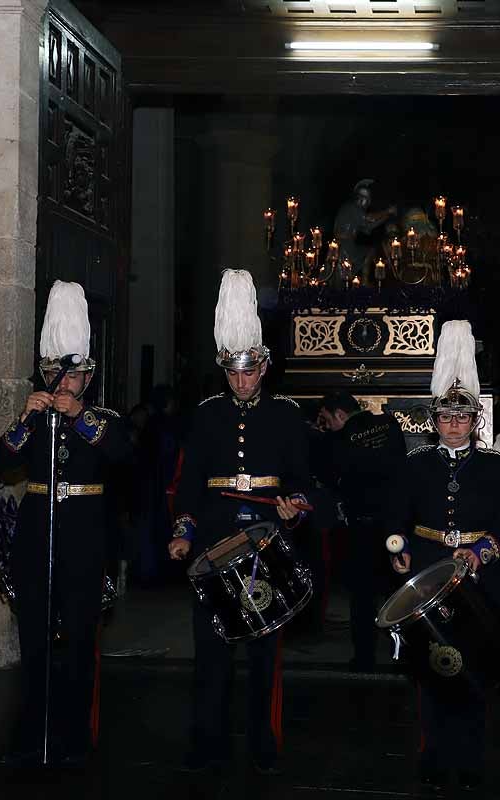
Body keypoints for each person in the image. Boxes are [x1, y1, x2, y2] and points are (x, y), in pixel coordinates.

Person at [167, 269, 310, 776]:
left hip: (266, 546)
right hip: (213, 542)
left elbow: (303, 480)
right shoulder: (206, 415)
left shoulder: (289, 415)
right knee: (210, 652)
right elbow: (187, 484)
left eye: (249, 373)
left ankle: (263, 744)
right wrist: (183, 532)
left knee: (265, 654)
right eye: (232, 373)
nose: (241, 382)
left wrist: (295, 506)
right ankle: (207, 742)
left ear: (264, 367)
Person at [0, 282, 130, 768]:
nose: (61, 384)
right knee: (33, 643)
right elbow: (1, 460)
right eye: (54, 374)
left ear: (86, 380)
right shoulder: (34, 419)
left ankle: (74, 736)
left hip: (84, 540)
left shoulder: (103, 418)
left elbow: (123, 454)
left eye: (70, 378)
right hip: (36, 535)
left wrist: (80, 417)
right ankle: (29, 733)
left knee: (77, 643)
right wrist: (26, 420)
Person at [386, 319, 500, 792]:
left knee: (474, 669)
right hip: (426, 570)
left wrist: (483, 552)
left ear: (474, 420)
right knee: (431, 667)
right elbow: (395, 519)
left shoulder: (496, 465)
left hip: (476, 576)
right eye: (445, 417)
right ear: (434, 420)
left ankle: (470, 760)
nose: (453, 424)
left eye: (462, 417)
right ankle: (434, 756)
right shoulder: (414, 463)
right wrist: (397, 554)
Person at [315, 390, 406, 671]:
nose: (328, 426)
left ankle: (364, 657)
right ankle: (401, 654)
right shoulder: (390, 425)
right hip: (395, 523)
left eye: (328, 420)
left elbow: (330, 478)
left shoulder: (337, 440)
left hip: (362, 526)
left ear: (340, 414)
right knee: (399, 591)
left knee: (363, 597)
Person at [332, 179, 396, 281]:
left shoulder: (356, 211)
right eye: (366, 198)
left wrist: (387, 215)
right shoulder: (352, 208)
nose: (368, 202)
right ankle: (362, 282)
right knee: (342, 277)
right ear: (360, 198)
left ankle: (364, 281)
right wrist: (387, 211)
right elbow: (369, 218)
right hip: (343, 247)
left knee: (369, 252)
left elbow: (368, 226)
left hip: (348, 245)